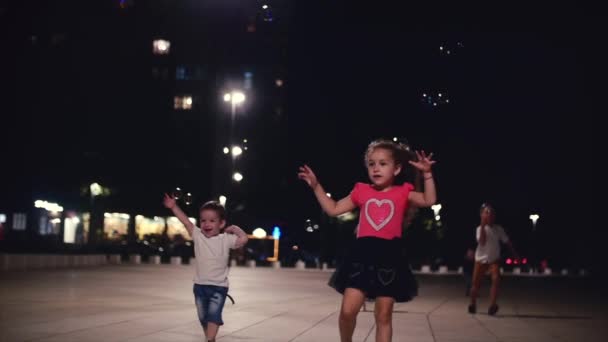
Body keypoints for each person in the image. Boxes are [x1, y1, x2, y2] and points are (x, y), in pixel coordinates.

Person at [298, 139, 437, 342]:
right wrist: (316, 186)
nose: (376, 168)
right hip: (361, 256)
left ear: (396, 169)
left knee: (383, 316)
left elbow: (429, 200)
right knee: (347, 311)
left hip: (390, 257)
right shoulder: (361, 191)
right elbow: (333, 208)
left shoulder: (403, 192)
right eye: (372, 164)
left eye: (383, 163)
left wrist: (427, 173)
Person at [163, 194, 248, 342]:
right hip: (200, 286)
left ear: (221, 224)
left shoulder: (226, 239)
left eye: (212, 221)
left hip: (219, 287)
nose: (206, 224)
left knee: (214, 315)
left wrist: (235, 229)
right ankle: (210, 337)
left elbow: (244, 239)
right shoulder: (197, 235)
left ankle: (209, 339)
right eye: (203, 220)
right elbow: (186, 222)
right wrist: (173, 207)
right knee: (203, 317)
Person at [468, 203, 518, 316]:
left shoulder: (498, 229)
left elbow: (507, 242)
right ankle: (472, 304)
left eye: (491, 212)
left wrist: (515, 254)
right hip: (480, 259)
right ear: (481, 214)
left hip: (494, 260)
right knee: (475, 284)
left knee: (496, 280)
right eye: (486, 212)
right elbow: (482, 242)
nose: (489, 214)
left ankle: (492, 305)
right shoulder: (479, 229)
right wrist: (482, 223)